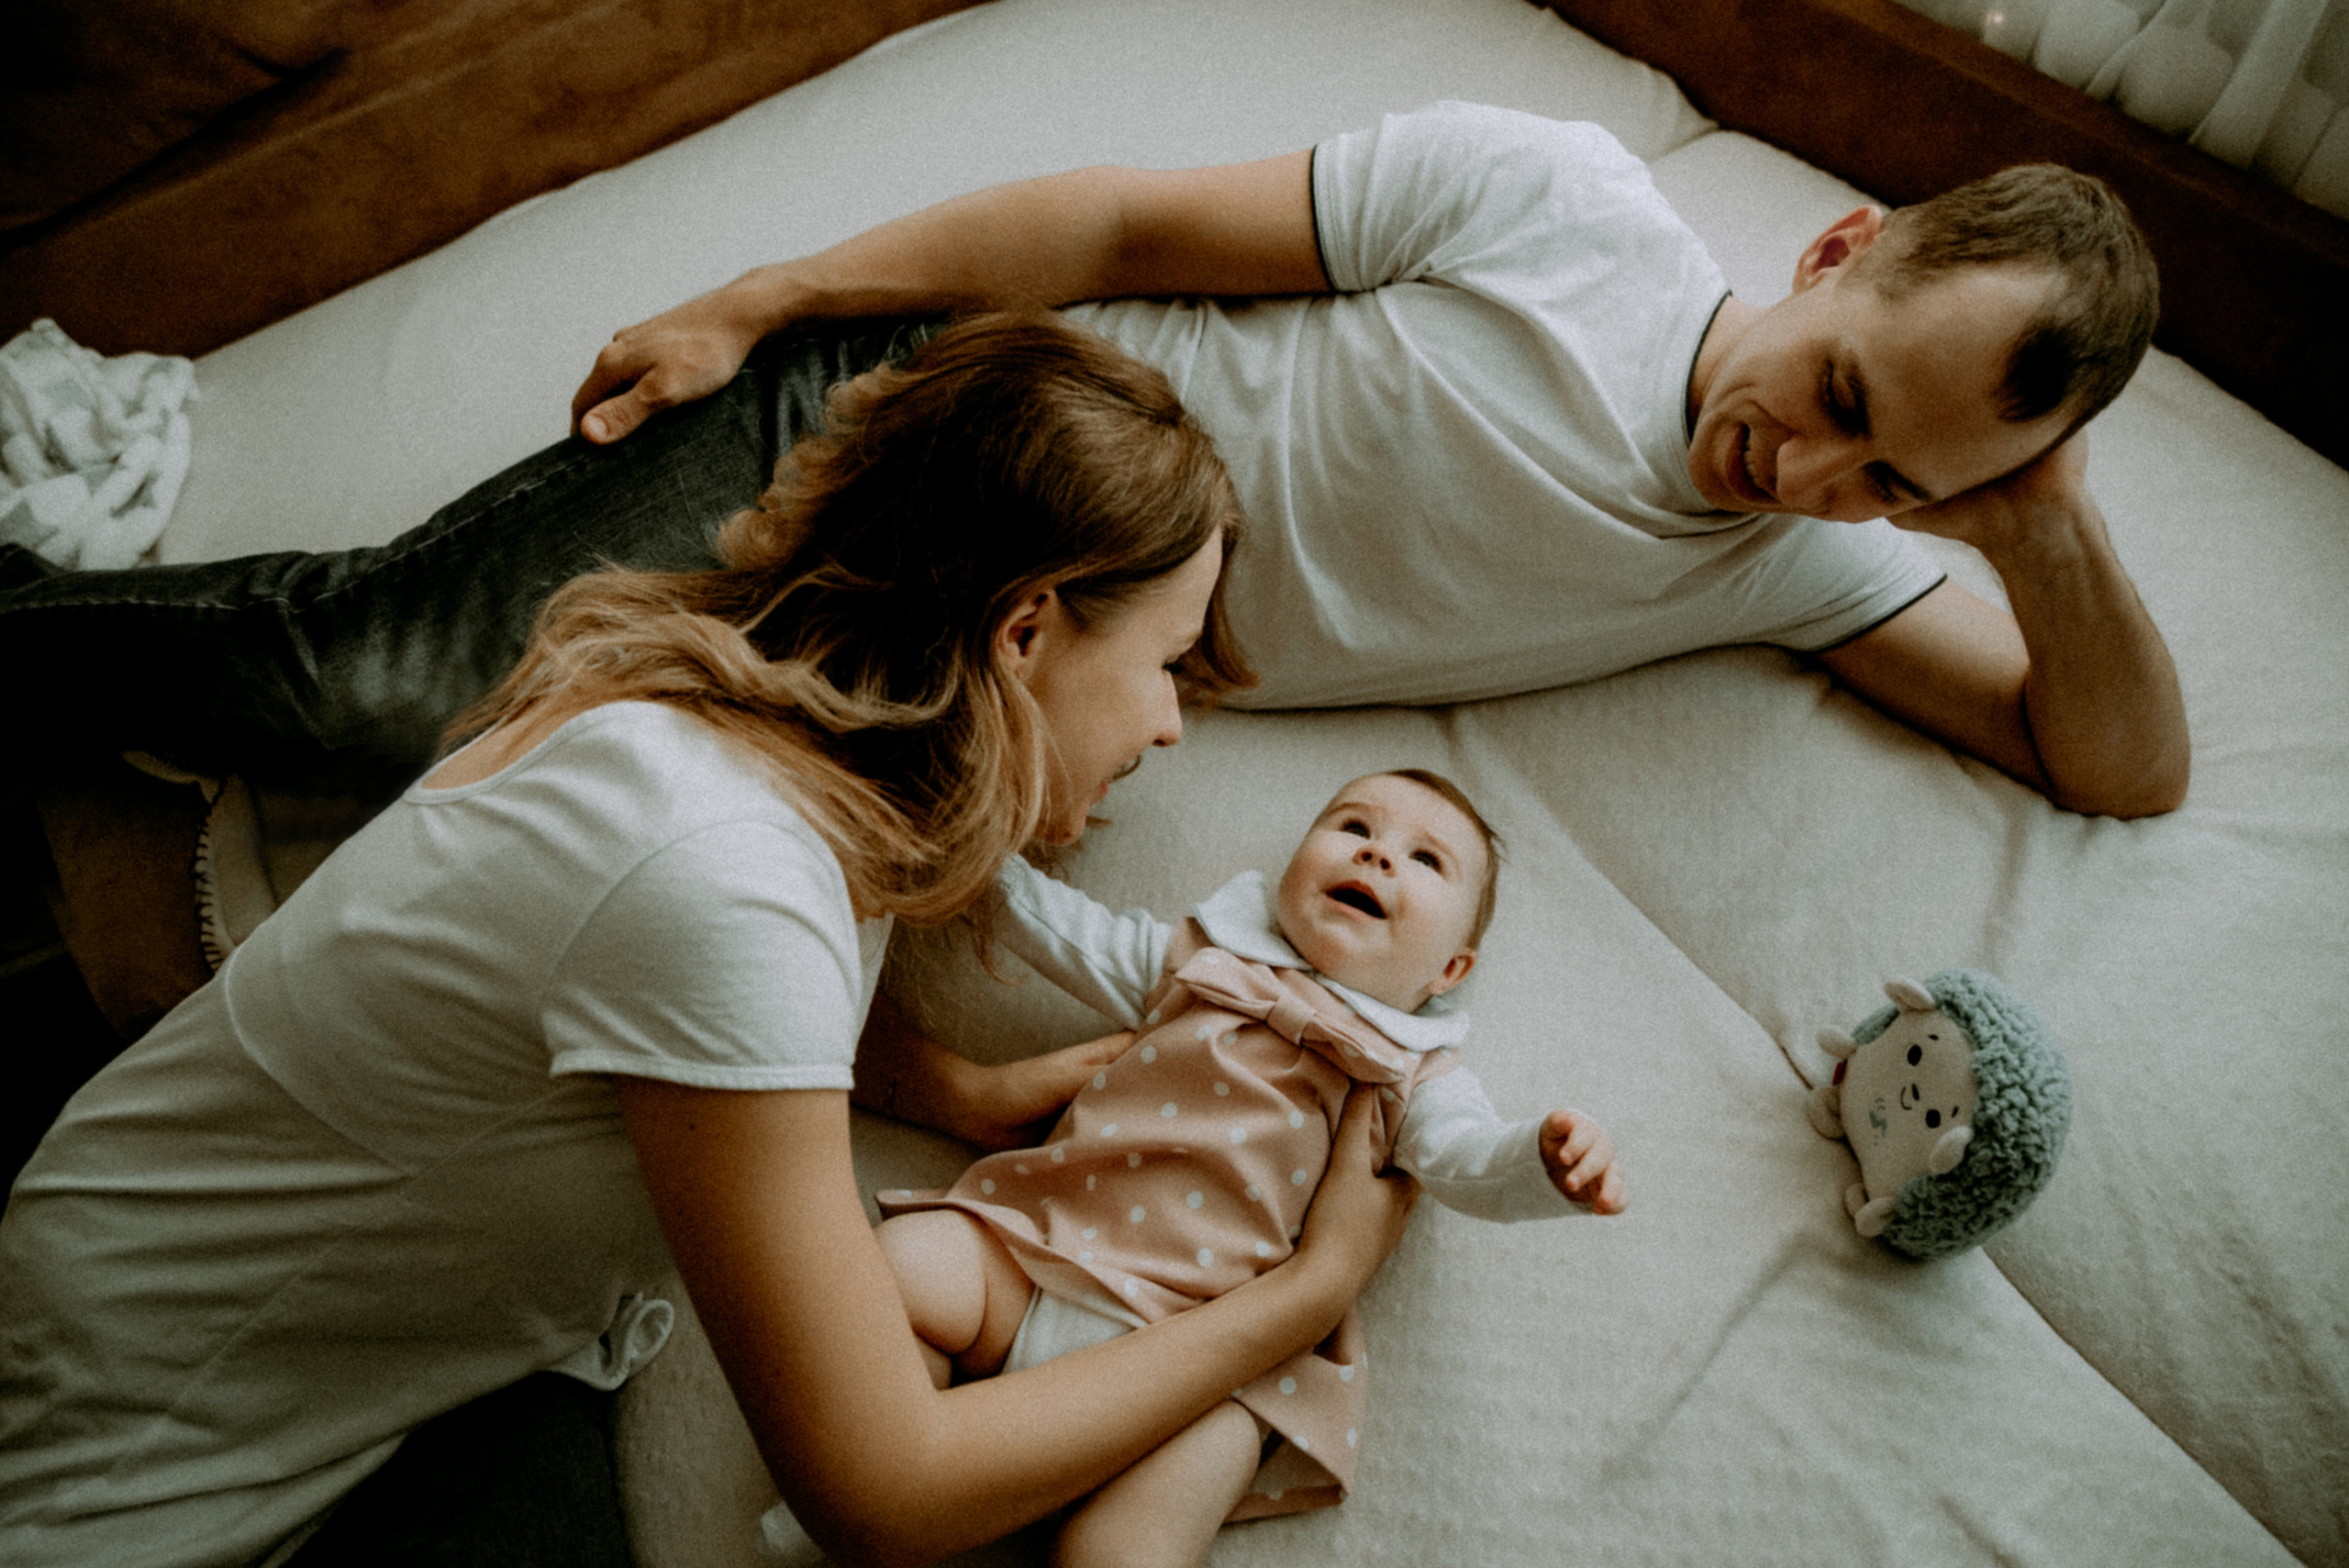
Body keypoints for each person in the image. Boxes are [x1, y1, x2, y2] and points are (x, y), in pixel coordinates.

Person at [0, 314, 1422, 1568]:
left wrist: (948, 1088)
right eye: (1165, 663)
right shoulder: (726, 878)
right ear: (1026, 631)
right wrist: (1301, 1295)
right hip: (145, 1438)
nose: (1170, 725)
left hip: (430, 1345)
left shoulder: (757, 745)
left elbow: (651, 1007)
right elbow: (885, 1491)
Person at [0, 103, 2187, 822]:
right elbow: (1121, 224)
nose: (1809, 476)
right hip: (903, 424)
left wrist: (2041, 530)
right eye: (1838, 395)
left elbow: (2112, 767)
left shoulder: (1798, 566)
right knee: (390, 686)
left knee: (551, 809)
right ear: (1832, 250)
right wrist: (762, 298)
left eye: (1895, 484)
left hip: (1016, 661)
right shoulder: (1561, 207)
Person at [805, 768, 1623, 1568]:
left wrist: (1544, 1161)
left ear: (1449, 971)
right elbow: (1064, 929)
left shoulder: (1414, 1073)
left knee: (1124, 1549)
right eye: (1354, 826)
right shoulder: (1204, 957)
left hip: (1206, 1363)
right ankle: (889, 1472)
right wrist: (977, 855)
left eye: (1425, 858)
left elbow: (1467, 1160)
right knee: (905, 1266)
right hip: (1041, 1254)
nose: (1378, 854)